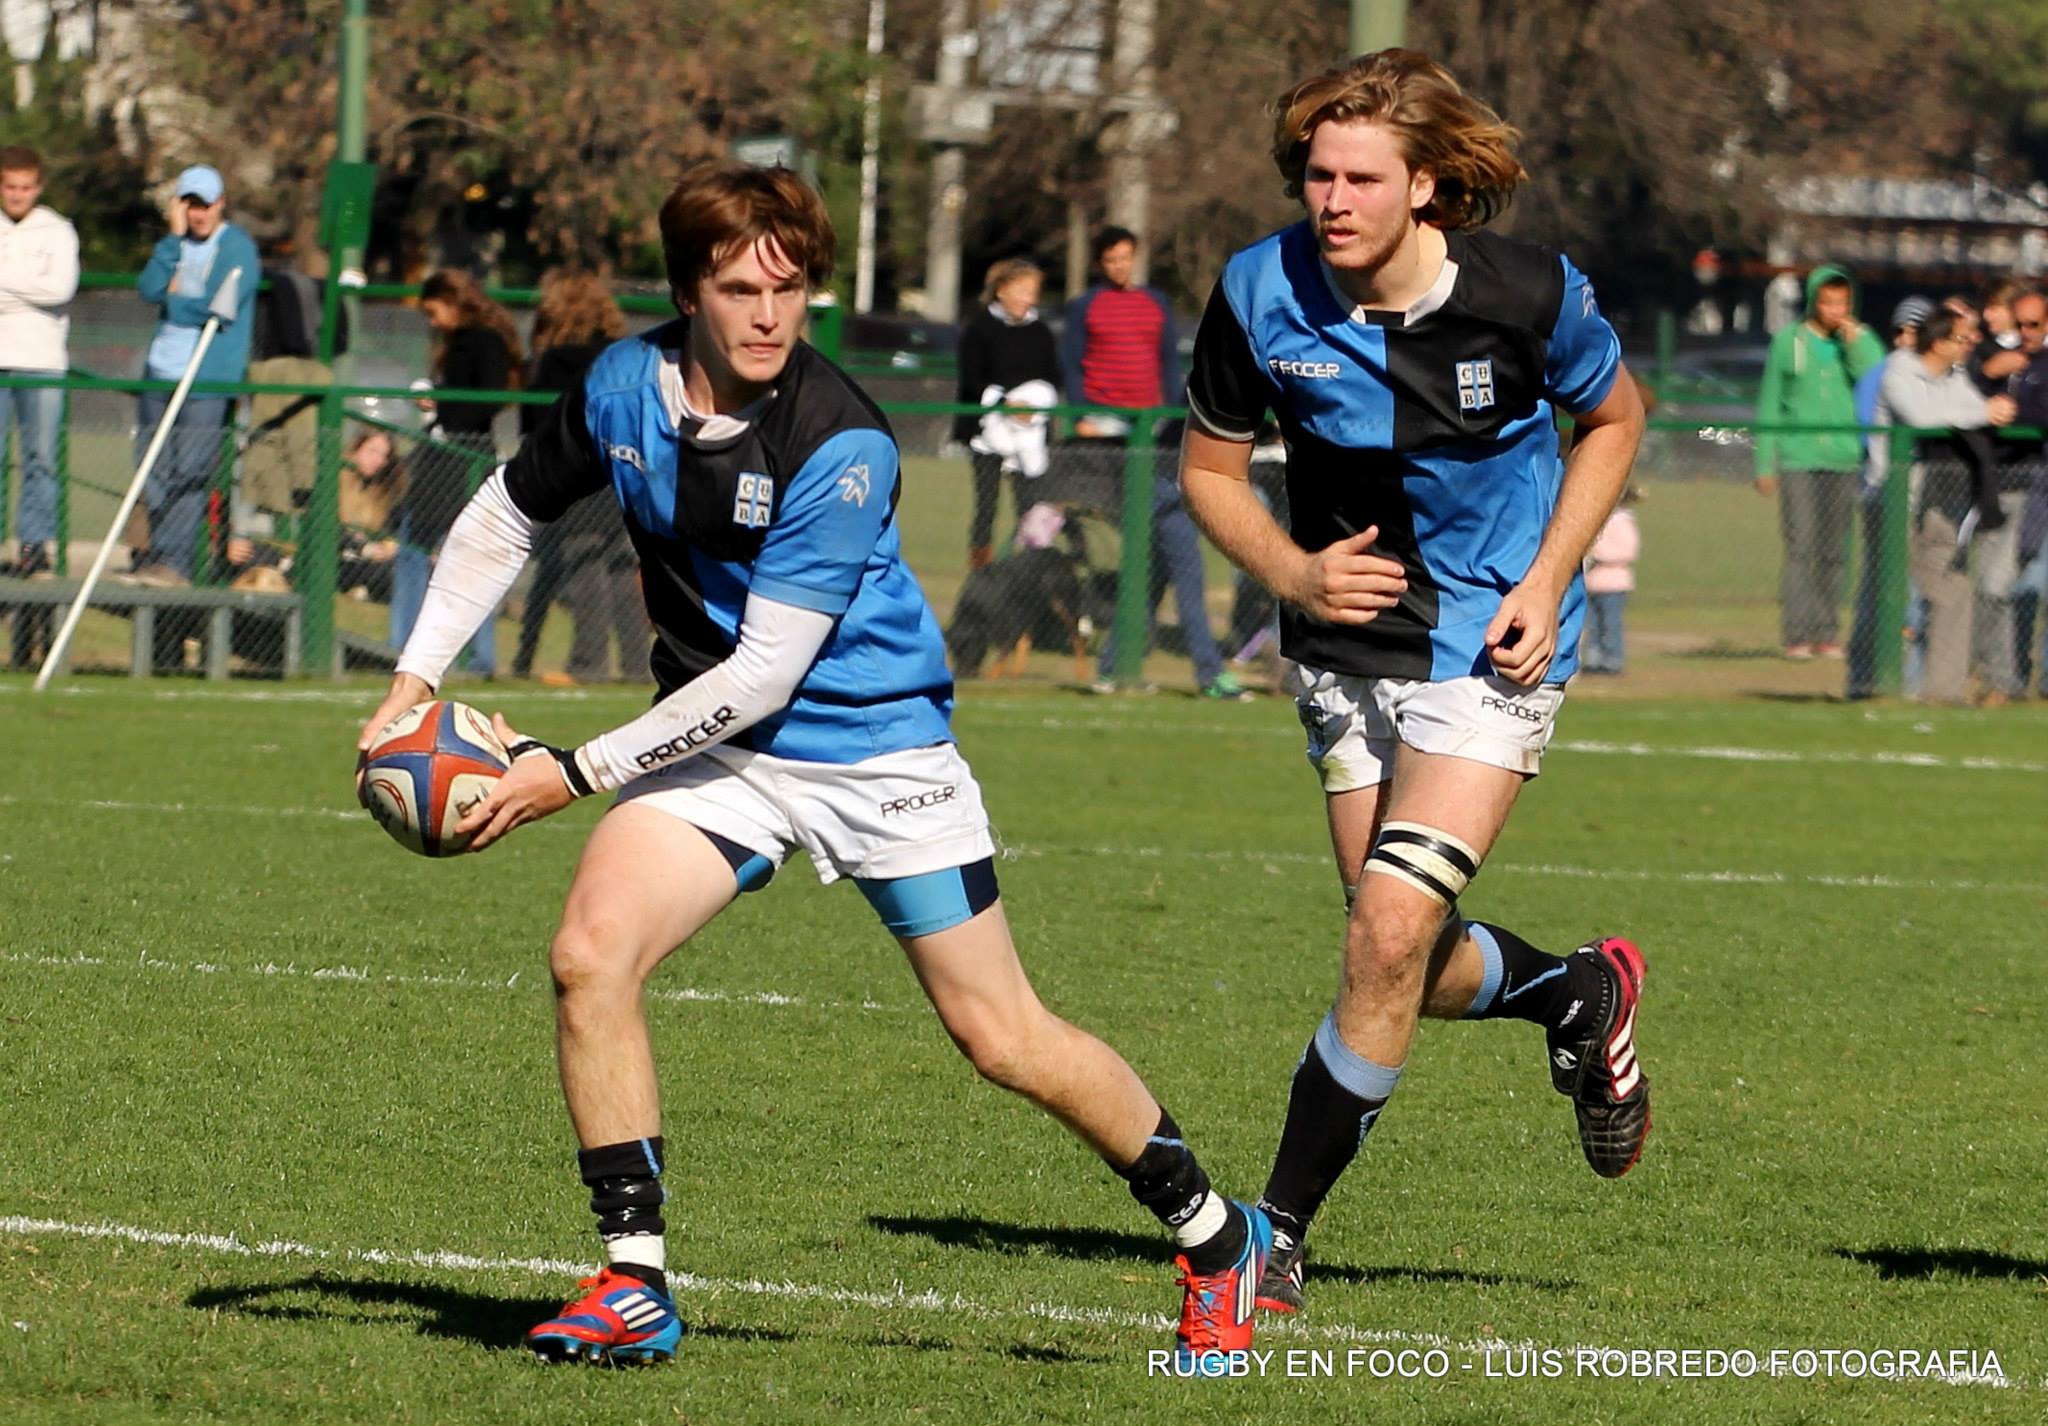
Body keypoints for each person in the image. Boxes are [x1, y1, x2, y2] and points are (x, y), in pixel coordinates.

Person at [353, 161, 1269, 1373]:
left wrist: (564, 773)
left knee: (1002, 1037)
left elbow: (762, 674)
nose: (770, 315)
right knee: (589, 955)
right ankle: (633, 1281)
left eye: (789, 289)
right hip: (720, 756)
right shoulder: (622, 384)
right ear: (687, 293)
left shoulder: (838, 440)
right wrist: (415, 676)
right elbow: (504, 515)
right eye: (740, 289)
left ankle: (1216, 1236)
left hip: (875, 751)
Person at [1176, 48, 1651, 1316]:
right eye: (1314, 175)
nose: (1327, 200)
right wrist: (1292, 570)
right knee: (1397, 956)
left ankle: (1270, 1235)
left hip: (1485, 650)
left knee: (1386, 933)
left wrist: (1548, 580)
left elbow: (1614, 418)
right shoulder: (1256, 289)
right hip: (1342, 653)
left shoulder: (1527, 294)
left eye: (1357, 178)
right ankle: (1573, 989)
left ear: (1427, 186)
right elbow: (1209, 471)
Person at [1064, 226, 1244, 699]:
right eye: (1112, 259)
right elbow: (1071, 364)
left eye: (1128, 257)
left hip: (1156, 442)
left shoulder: (1155, 304)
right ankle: (1208, 675)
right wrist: (1082, 414)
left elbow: (1168, 366)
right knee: (1178, 561)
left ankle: (1113, 669)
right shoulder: (1087, 306)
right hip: (1112, 439)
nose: (1121, 266)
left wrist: (1167, 418)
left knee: (1153, 568)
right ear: (1100, 262)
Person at [128, 163, 259, 587]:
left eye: (205, 205)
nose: (198, 214)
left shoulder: (237, 247)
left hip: (207, 377)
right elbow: (148, 289)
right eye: (190, 205)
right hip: (161, 371)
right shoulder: (174, 245)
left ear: (221, 204)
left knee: (192, 469)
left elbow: (220, 306)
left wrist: (176, 300)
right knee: (154, 467)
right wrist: (170, 244)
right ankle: (154, 554)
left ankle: (176, 562)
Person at [1876, 310, 2016, 704]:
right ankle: (1876, 684)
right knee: (1893, 597)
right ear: (1938, 344)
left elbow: (1975, 409)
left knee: (1954, 592)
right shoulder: (1898, 373)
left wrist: (1996, 410)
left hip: (1938, 504)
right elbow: (1921, 417)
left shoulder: (1954, 377)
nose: (1968, 344)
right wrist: (1981, 414)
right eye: (1960, 339)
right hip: (1892, 502)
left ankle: (1942, 690)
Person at [509, 270, 639, 684]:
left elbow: (534, 421)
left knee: (583, 561)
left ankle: (589, 663)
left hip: (575, 473)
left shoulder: (557, 359)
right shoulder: (623, 355)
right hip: (626, 469)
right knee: (620, 567)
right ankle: (638, 665)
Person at [389, 268, 520, 673]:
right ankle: (411, 647)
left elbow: (490, 396)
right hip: (446, 457)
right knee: (426, 550)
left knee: (453, 557)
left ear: (453, 302)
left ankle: (427, 649)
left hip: (463, 460)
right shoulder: (460, 341)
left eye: (433, 311)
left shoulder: (483, 340)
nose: (431, 322)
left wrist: (445, 411)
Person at [1753, 263, 1885, 659]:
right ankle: (1796, 634)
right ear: (1814, 302)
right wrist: (1764, 463)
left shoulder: (1859, 340)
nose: (1834, 310)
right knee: (1801, 545)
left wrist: (1855, 342)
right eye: (1827, 302)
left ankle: (1827, 633)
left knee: (1834, 549)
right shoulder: (1788, 342)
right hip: (1798, 458)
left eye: (1841, 303)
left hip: (1844, 460)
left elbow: (1877, 376)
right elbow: (1770, 404)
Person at [1845, 295, 1933, 698]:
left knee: (1918, 594)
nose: (1904, 338)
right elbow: (1872, 436)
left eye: (1913, 331)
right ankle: (1866, 677)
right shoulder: (1881, 374)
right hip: (1886, 496)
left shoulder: (1937, 375)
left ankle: (1911, 680)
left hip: (1927, 500)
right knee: (1885, 591)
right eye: (1899, 330)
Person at [0, 144, 78, 582]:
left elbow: (61, 289)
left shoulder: (58, 230)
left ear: (39, 187)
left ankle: (34, 548)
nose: (17, 195)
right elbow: (43, 290)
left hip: (42, 361)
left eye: (26, 188)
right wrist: (32, 287)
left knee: (41, 458)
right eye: (10, 187)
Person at [957, 257, 1060, 570]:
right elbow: (971, 378)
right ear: (1001, 290)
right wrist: (1004, 403)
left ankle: (1030, 569)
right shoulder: (979, 329)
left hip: (1029, 435)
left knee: (1029, 504)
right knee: (986, 505)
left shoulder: (1040, 332)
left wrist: (1034, 408)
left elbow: (1053, 376)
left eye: (1033, 292)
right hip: (987, 433)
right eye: (1022, 290)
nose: (1029, 298)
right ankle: (981, 572)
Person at [1581, 486, 1642, 675]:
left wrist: (1598, 555)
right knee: (1591, 624)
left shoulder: (1622, 520)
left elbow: (1628, 551)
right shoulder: (1597, 519)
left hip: (1613, 583)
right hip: (1592, 582)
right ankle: (1593, 659)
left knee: (1610, 623)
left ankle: (1612, 660)